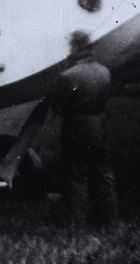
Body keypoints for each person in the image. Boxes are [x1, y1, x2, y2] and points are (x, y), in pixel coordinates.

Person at [51, 31, 119, 230]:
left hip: (76, 127)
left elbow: (57, 106)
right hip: (99, 125)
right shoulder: (104, 71)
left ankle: (76, 224)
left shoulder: (69, 75)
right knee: (103, 174)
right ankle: (109, 222)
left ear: (74, 47)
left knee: (75, 176)